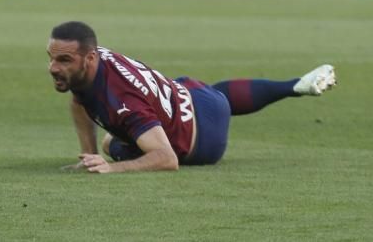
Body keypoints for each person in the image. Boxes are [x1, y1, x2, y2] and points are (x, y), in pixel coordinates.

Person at [46, 21, 336, 173]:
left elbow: (166, 159)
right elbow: (79, 100)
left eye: (63, 60)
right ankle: (294, 85)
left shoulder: (121, 99)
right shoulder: (90, 63)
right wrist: (89, 156)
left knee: (116, 146)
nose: (53, 68)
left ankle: (292, 85)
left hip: (203, 141)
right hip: (188, 96)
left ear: (89, 58)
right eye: (51, 58)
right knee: (215, 94)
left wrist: (111, 167)